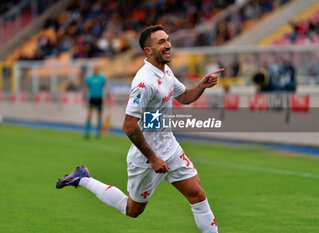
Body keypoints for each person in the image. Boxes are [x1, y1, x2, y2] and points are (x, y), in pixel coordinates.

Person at [56, 25, 222, 233]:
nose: (168, 45)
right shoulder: (144, 82)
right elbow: (129, 125)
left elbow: (185, 96)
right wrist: (153, 158)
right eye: (161, 42)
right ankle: (83, 179)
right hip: (146, 159)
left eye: (168, 40)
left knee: (197, 195)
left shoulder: (166, 71)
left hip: (170, 148)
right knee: (132, 210)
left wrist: (201, 86)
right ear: (148, 50)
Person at [83, 66, 108, 139]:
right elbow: (85, 88)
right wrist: (84, 97)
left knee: (99, 116)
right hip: (92, 99)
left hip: (99, 99)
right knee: (89, 115)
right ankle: (87, 133)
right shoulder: (89, 79)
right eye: (94, 69)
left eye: (96, 69)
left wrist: (107, 96)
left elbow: (106, 87)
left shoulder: (102, 78)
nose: (95, 70)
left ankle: (98, 133)